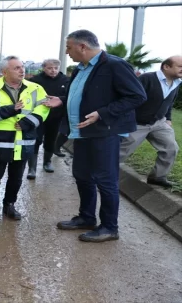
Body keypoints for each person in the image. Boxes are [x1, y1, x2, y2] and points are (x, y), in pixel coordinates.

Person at [44, 30, 146, 242]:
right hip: (82, 131)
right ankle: (86, 217)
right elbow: (85, 94)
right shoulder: (80, 68)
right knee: (82, 175)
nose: (67, 52)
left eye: (69, 47)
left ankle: (109, 227)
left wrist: (102, 113)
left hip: (104, 132)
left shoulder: (115, 65)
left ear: (82, 47)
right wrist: (62, 100)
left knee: (105, 179)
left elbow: (137, 96)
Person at [0, 56, 50, 225]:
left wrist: (29, 122)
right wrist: (12, 110)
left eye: (22, 67)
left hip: (24, 141)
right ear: (4, 72)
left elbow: (44, 108)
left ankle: (9, 205)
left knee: (16, 178)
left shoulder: (36, 88)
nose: (22, 70)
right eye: (17, 68)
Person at [119, 55, 181, 188]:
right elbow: (129, 98)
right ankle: (101, 175)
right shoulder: (147, 78)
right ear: (166, 66)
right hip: (137, 123)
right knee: (121, 152)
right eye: (180, 66)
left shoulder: (176, 82)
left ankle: (157, 177)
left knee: (171, 148)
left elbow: (169, 103)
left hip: (159, 123)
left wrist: (168, 118)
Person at [26, 59, 70, 178]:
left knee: (50, 140)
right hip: (38, 116)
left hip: (56, 117)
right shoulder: (35, 81)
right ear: (44, 68)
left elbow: (70, 97)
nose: (53, 70)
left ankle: (47, 162)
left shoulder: (66, 80)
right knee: (35, 140)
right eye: (50, 68)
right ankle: (32, 168)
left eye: (56, 68)